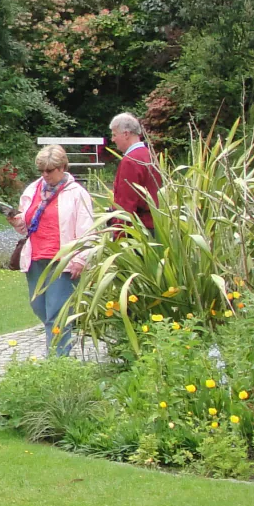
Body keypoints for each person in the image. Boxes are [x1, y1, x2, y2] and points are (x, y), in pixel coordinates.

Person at [9, 144, 96, 355]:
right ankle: (62, 345)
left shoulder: (77, 193)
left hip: (63, 261)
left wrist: (81, 259)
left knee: (57, 313)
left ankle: (58, 360)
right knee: (40, 307)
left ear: (63, 167)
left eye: (50, 170)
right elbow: (26, 224)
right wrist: (15, 220)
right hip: (35, 258)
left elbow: (88, 230)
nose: (45, 175)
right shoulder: (33, 189)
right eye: (42, 171)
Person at [108, 112, 161, 232]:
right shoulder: (149, 155)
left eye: (114, 134)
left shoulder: (130, 161)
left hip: (137, 230)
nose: (113, 139)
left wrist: (118, 235)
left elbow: (126, 204)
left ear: (126, 134)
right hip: (154, 225)